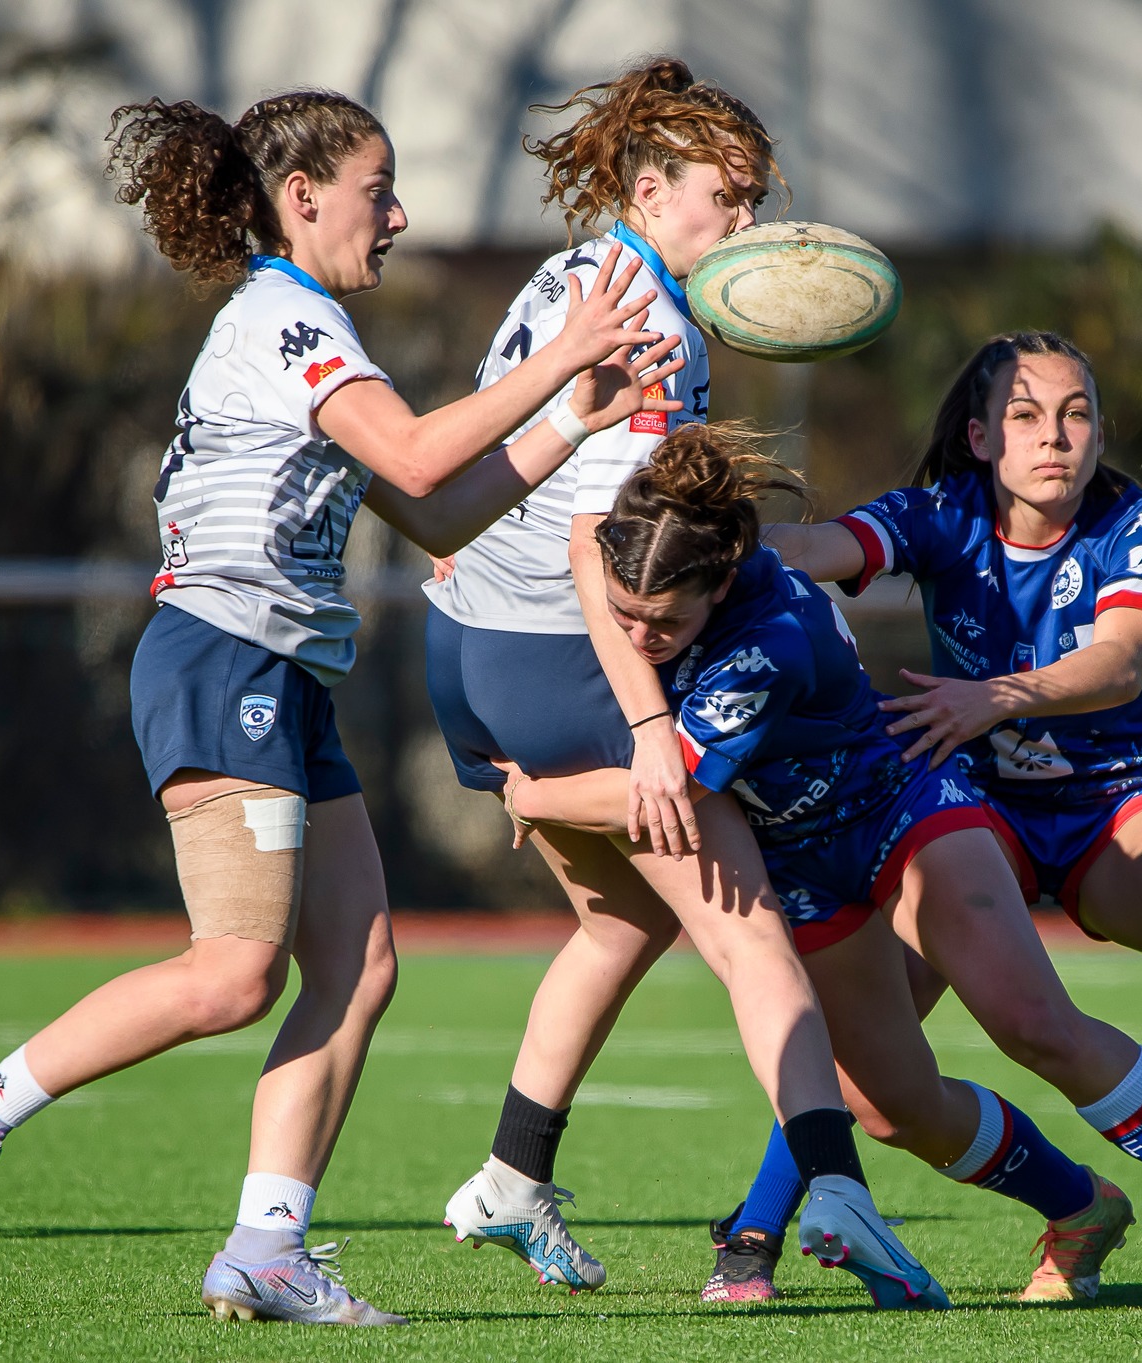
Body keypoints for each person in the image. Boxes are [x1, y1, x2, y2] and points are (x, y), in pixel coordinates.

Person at [0, 88, 684, 1327]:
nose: (401, 216)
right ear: (302, 196)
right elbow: (422, 459)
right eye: (379, 191)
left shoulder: (309, 326)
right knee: (233, 975)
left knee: (359, 965)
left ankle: (268, 1247)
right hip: (223, 660)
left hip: (283, 676)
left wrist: (566, 422)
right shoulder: (282, 319)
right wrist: (565, 354)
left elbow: (429, 512)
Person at [501, 420, 1142, 1317]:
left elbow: (662, 787)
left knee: (1034, 1022)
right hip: (797, 866)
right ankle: (1079, 1204)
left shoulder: (769, 636)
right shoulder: (657, 574)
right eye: (623, 612)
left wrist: (532, 795)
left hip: (899, 811)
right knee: (888, 1107)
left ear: (719, 582)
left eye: (663, 621)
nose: (636, 636)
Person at [423, 57, 946, 1310]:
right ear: (652, 190)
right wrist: (652, 726)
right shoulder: (648, 321)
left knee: (624, 917)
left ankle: (512, 1171)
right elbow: (594, 558)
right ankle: (833, 1184)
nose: (751, 227)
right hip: (563, 653)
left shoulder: (579, 271)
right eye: (733, 197)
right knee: (751, 932)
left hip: (459, 642)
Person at [716, 329, 1142, 1306]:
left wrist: (999, 693)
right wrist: (705, 533)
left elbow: (1121, 659)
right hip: (969, 812)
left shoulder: (1138, 524)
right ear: (976, 437)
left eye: (1076, 413)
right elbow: (810, 546)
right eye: (1024, 415)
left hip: (1114, 796)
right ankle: (762, 1229)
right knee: (871, 1065)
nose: (1055, 437)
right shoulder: (938, 515)